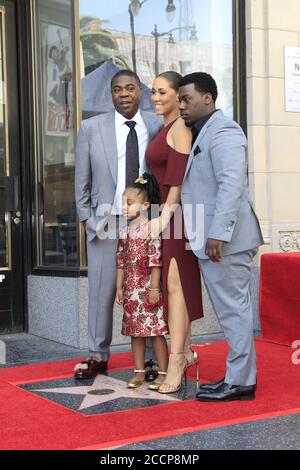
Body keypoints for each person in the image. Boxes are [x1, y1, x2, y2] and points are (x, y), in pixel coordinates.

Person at [178, 72, 264, 402]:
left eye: (187, 98)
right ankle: (237, 376)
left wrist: (217, 233)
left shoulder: (224, 130)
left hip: (224, 240)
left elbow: (232, 185)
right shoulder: (203, 132)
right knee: (231, 310)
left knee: (233, 310)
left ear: (208, 98)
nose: (181, 105)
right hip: (216, 239)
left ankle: (241, 382)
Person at [74, 70, 163, 380]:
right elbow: (81, 179)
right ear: (111, 95)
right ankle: (97, 355)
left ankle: (151, 359)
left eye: (129, 88)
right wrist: (86, 217)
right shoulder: (90, 127)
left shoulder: (156, 125)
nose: (123, 94)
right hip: (105, 221)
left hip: (144, 222)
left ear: (140, 91)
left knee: (149, 290)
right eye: (116, 90)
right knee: (100, 291)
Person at [145, 71, 203, 394]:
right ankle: (187, 351)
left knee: (175, 286)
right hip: (166, 215)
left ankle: (178, 359)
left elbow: (178, 179)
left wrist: (163, 219)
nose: (155, 97)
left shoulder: (180, 126)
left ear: (177, 94)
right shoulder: (164, 127)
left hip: (177, 215)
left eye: (162, 91)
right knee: (172, 287)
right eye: (152, 92)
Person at [115, 173, 169, 389]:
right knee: (135, 332)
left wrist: (155, 288)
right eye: (122, 202)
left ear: (145, 205)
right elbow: (120, 261)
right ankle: (138, 371)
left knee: (155, 332)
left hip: (147, 290)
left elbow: (156, 259)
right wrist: (119, 287)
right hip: (131, 291)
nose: (124, 207)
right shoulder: (123, 232)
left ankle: (164, 372)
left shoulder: (150, 229)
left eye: (129, 203)